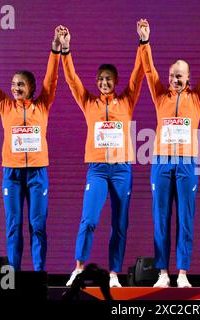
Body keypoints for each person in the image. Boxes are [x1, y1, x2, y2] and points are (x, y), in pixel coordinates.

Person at [0, 26, 62, 271]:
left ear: (32, 88)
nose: (15, 88)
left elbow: (51, 78)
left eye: (21, 85)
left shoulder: (43, 105)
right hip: (12, 175)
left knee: (37, 225)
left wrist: (55, 49)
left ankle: (38, 272)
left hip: (38, 174)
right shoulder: (5, 105)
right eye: (14, 84)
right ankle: (14, 275)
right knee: (14, 225)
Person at [136, 16, 200, 287]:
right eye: (172, 75)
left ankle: (183, 272)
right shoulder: (160, 95)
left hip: (186, 163)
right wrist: (145, 41)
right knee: (160, 217)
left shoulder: (197, 97)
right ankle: (163, 272)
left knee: (185, 217)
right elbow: (149, 71)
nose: (174, 79)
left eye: (180, 76)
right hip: (161, 162)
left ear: (188, 78)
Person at [59, 26, 144, 287]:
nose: (104, 83)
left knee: (119, 223)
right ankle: (78, 267)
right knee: (90, 219)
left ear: (116, 81)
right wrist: (65, 49)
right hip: (97, 169)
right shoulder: (89, 103)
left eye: (108, 79)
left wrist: (143, 42)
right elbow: (72, 80)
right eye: (100, 80)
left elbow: (139, 74)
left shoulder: (127, 101)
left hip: (121, 169)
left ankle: (114, 274)